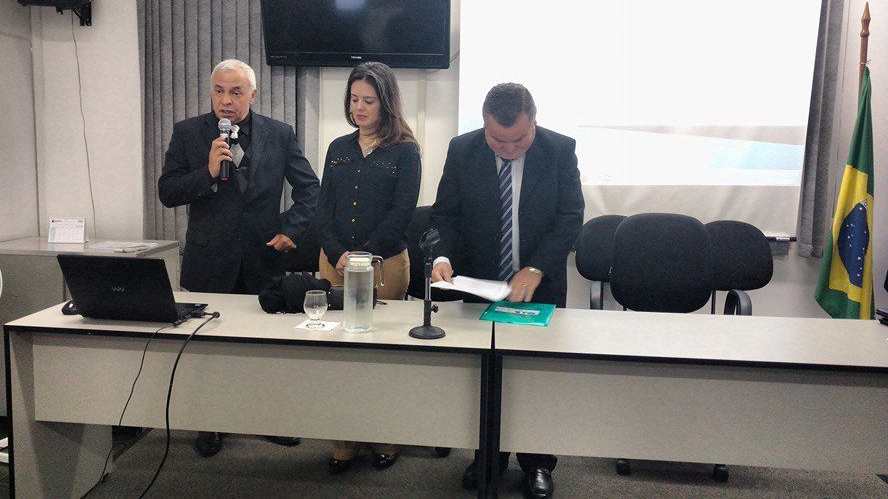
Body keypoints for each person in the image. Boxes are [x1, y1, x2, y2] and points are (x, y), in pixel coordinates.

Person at [158, 58, 320, 457]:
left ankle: (268, 419)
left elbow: (310, 190)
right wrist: (208, 173)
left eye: (235, 92)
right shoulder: (188, 132)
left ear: (252, 95)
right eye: (218, 91)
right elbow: (168, 192)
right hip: (208, 261)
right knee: (207, 350)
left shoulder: (279, 134)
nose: (225, 101)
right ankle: (209, 422)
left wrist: (291, 230)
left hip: (263, 259)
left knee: (266, 349)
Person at [429, 83, 584, 498]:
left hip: (540, 287)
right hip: (480, 285)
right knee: (484, 374)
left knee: (534, 376)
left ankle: (538, 463)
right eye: (498, 139)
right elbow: (446, 214)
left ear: (534, 123)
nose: (509, 148)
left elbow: (571, 216)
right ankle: (488, 458)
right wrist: (442, 256)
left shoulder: (559, 150)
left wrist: (536, 267)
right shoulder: (463, 150)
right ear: (484, 126)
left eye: (519, 139)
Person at [313, 61, 421, 473]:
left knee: (380, 354)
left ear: (386, 103)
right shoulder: (338, 149)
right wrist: (336, 252)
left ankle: (385, 437)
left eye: (368, 101)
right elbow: (323, 209)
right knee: (338, 354)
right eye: (354, 99)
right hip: (334, 262)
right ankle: (344, 441)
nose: (359, 108)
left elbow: (402, 212)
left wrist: (365, 256)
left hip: (383, 265)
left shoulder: (405, 151)